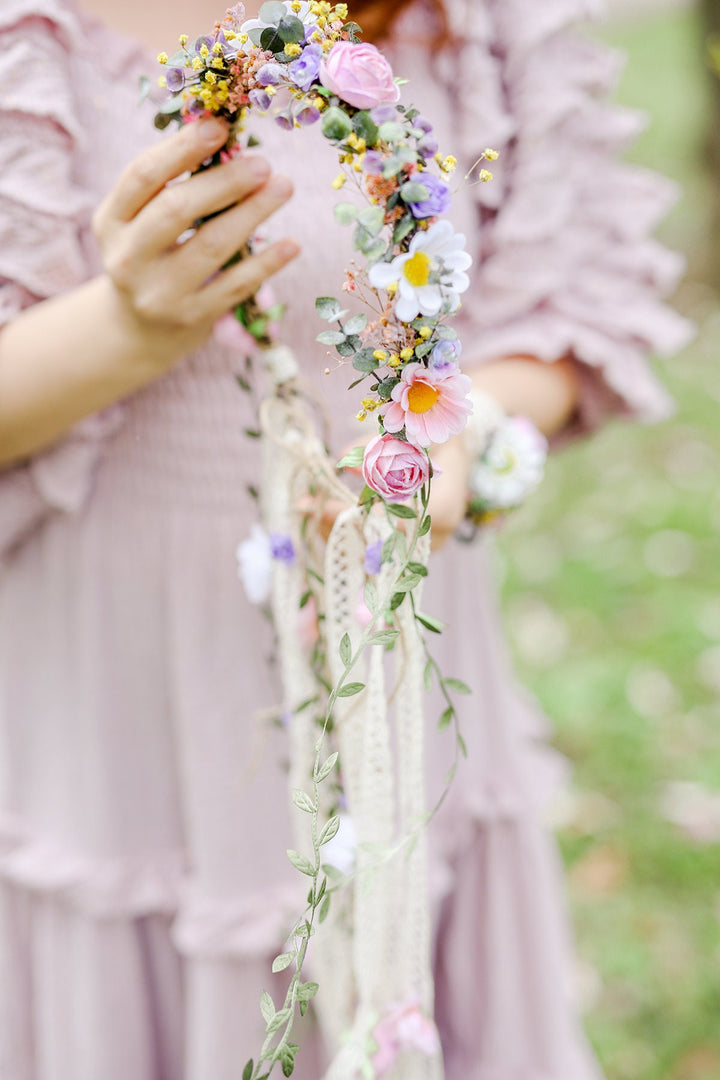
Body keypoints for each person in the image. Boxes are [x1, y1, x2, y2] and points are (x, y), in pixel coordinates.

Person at [0, 0, 692, 1077]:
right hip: (117, 723)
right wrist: (126, 326)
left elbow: (562, 313)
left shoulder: (463, 22)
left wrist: (456, 444)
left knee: (390, 955)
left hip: (398, 681)